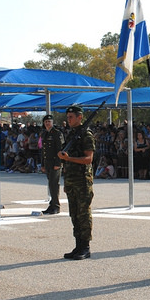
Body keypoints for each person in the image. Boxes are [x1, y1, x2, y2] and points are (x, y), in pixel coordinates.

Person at [58, 106, 96, 260]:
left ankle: (85, 247)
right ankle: (78, 245)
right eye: (68, 117)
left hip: (82, 180)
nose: (69, 119)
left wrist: (68, 159)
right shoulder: (71, 134)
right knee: (74, 213)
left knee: (83, 214)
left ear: (80, 117)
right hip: (72, 179)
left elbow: (89, 159)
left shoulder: (86, 135)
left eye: (71, 117)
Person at [41, 114, 64, 215]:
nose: (47, 123)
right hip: (48, 163)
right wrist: (43, 164)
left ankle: (56, 206)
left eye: (49, 122)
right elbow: (44, 151)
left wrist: (58, 163)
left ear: (52, 122)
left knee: (54, 185)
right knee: (51, 184)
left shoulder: (57, 133)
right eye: (46, 122)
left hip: (55, 162)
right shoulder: (45, 134)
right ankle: (52, 204)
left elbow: (60, 149)